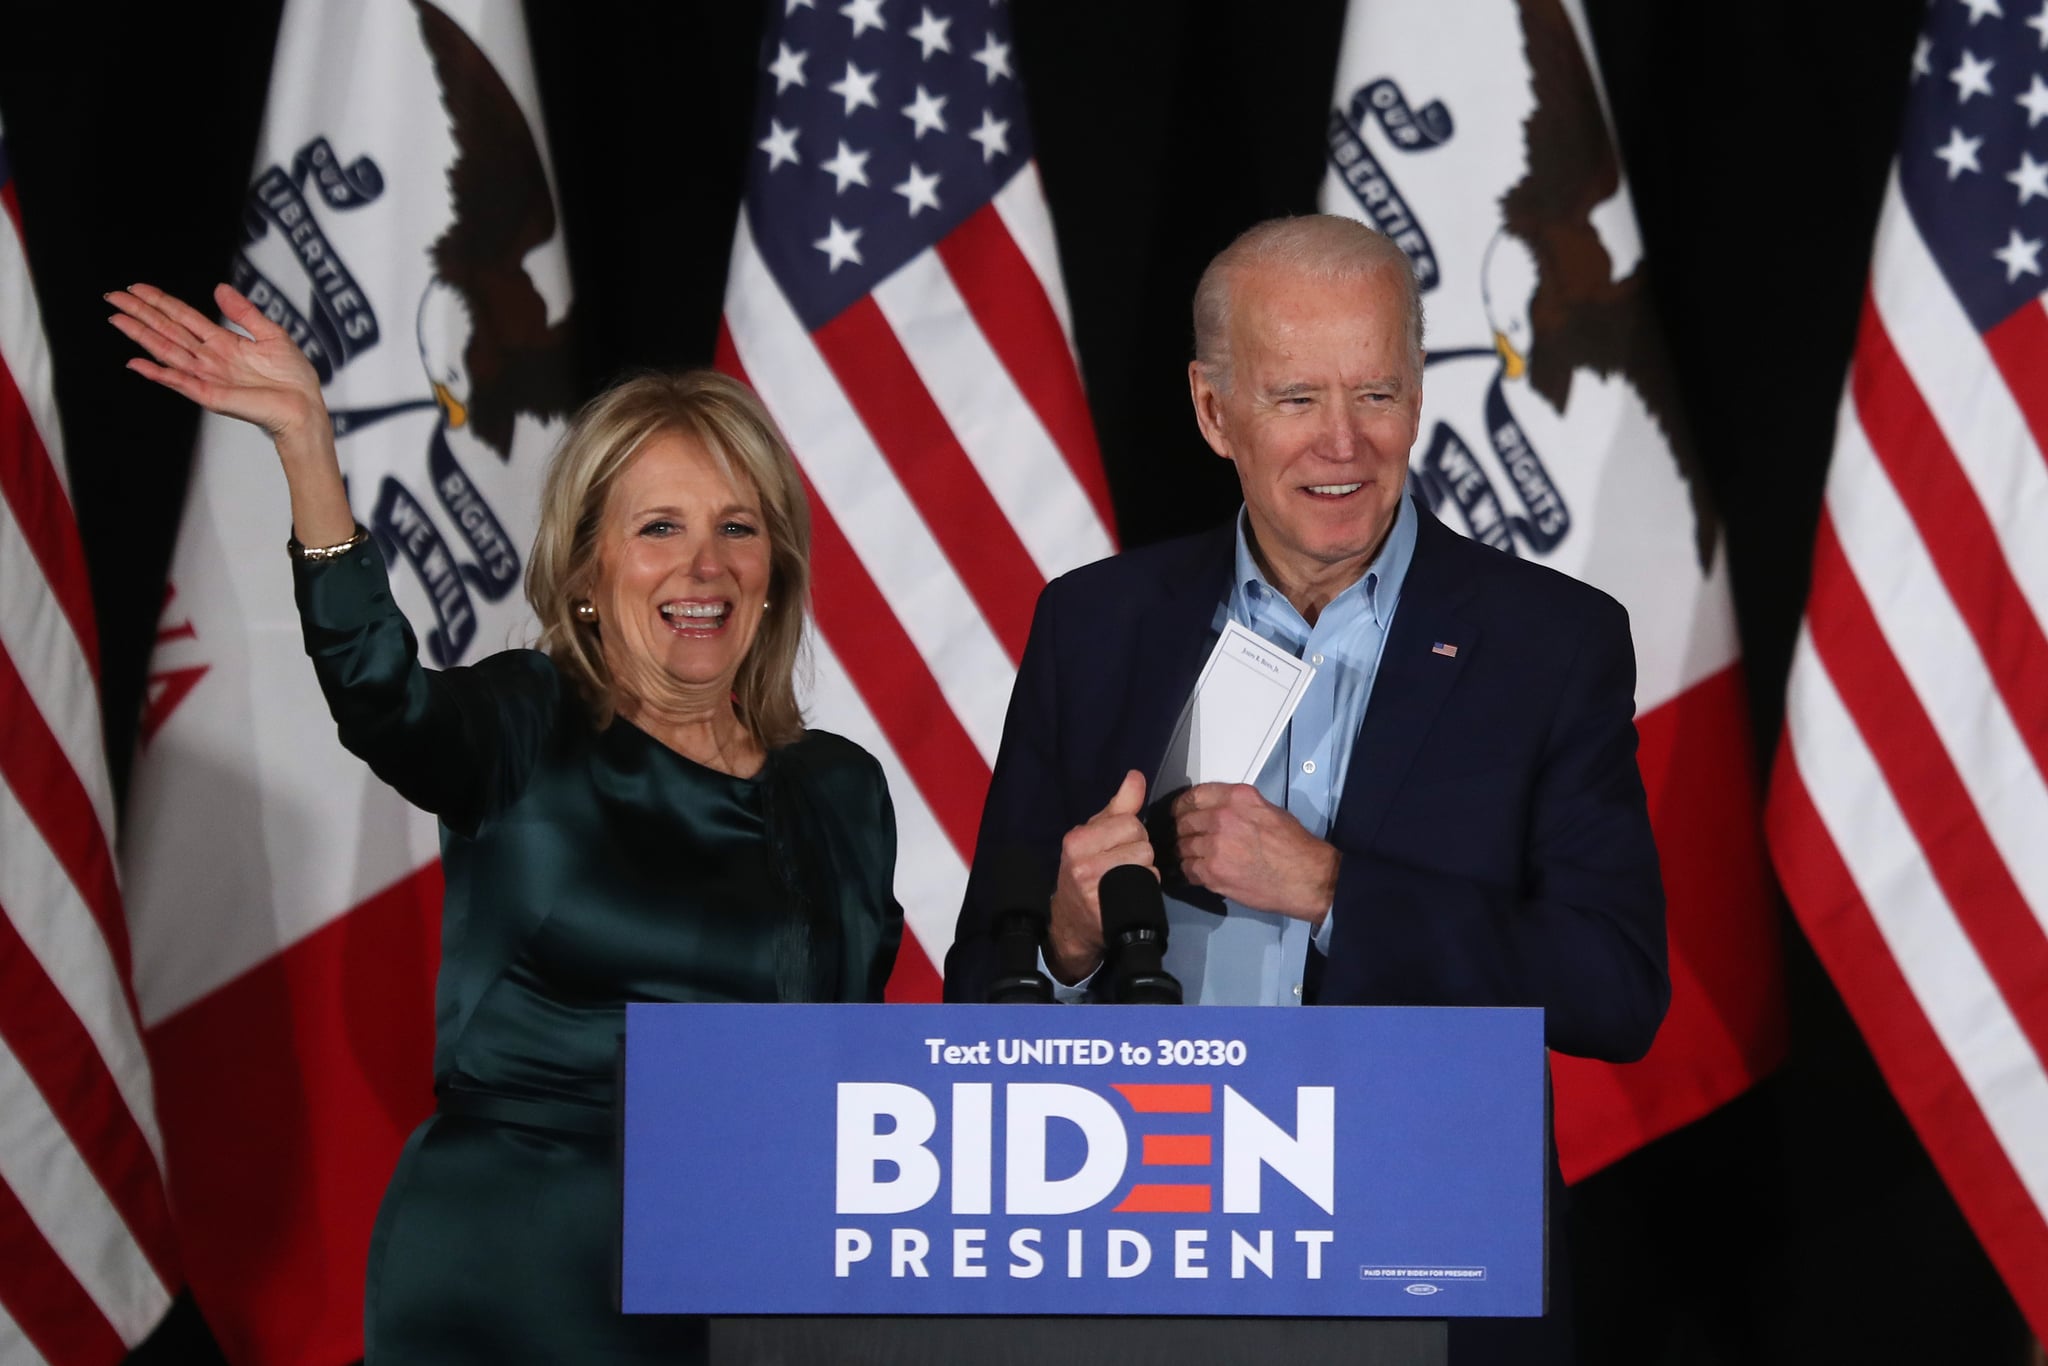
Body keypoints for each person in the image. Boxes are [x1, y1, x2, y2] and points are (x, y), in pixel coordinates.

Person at [110, 283, 903, 1363]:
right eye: (658, 528)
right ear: (585, 573)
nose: (703, 566)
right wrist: (307, 445)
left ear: (775, 571)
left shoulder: (840, 789)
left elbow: (847, 1054)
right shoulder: (526, 722)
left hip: (740, 1277)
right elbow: (381, 693)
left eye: (736, 529)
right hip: (514, 1272)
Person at [944, 215, 1668, 1363]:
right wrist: (1067, 944)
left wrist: (1332, 890)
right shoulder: (1093, 627)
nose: (1344, 444)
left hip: (1421, 1258)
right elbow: (980, 977)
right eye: (1293, 399)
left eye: (1375, 393)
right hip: (1138, 1252)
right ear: (1210, 408)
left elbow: (1615, 988)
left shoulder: (1551, 645)